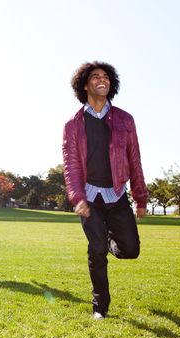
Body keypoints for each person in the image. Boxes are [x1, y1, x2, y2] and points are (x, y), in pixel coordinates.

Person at [62, 61, 148, 320]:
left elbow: (134, 159)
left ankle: (106, 238)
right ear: (84, 84)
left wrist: (140, 197)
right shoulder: (73, 125)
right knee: (96, 250)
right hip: (89, 198)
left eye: (107, 77)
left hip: (117, 195)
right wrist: (77, 198)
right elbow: (71, 165)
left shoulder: (124, 119)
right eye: (96, 76)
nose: (103, 80)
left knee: (130, 250)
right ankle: (100, 306)